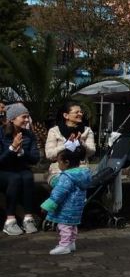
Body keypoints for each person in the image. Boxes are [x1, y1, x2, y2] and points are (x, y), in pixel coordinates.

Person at [40, 147, 92, 255]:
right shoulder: (81, 175)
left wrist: (47, 205)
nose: (58, 165)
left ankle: (64, 246)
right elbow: (63, 184)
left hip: (66, 207)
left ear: (66, 162)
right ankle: (71, 243)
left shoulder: (67, 176)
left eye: (59, 162)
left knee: (64, 226)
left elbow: (59, 192)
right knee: (72, 225)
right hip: (77, 207)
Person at [0, 103, 40, 235]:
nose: (27, 120)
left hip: (21, 169)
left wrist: (22, 151)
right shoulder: (1, 133)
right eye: (24, 117)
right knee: (15, 178)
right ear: (12, 119)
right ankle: (10, 220)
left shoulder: (29, 135)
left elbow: (35, 158)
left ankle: (28, 218)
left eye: (27, 117)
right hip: (3, 171)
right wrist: (12, 148)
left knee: (27, 176)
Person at [45, 102, 96, 182]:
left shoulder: (87, 130)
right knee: (64, 183)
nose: (80, 114)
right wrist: (66, 145)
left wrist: (81, 143)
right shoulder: (54, 131)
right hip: (59, 169)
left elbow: (91, 152)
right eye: (76, 112)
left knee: (79, 182)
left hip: (81, 168)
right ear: (66, 115)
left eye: (81, 112)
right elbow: (49, 155)